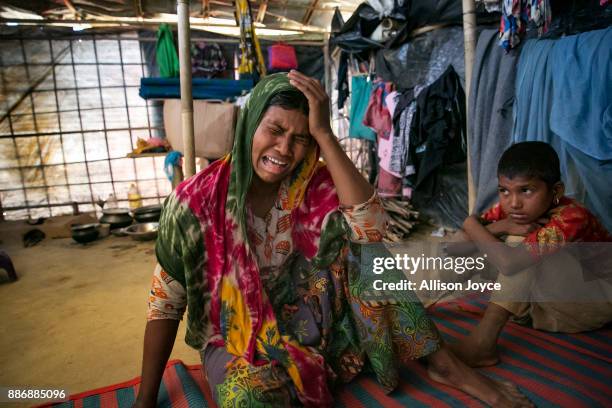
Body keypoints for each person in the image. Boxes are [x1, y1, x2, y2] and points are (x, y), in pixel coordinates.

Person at [134, 72, 531, 407]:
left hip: (317, 324)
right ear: (249, 123)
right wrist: (144, 400)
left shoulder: (312, 181)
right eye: (274, 130)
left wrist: (324, 131)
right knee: (246, 397)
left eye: (301, 137)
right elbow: (166, 302)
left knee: (367, 254)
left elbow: (372, 227)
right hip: (238, 338)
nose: (285, 149)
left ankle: (444, 363)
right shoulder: (194, 202)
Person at [449, 141, 612, 367]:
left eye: (526, 190)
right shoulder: (512, 212)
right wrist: (500, 226)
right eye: (504, 191)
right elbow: (455, 249)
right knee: (487, 240)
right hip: (545, 311)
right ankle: (412, 311)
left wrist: (471, 222)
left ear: (556, 192)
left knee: (515, 246)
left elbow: (509, 264)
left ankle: (482, 344)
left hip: (593, 304)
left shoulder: (573, 216)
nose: (514, 203)